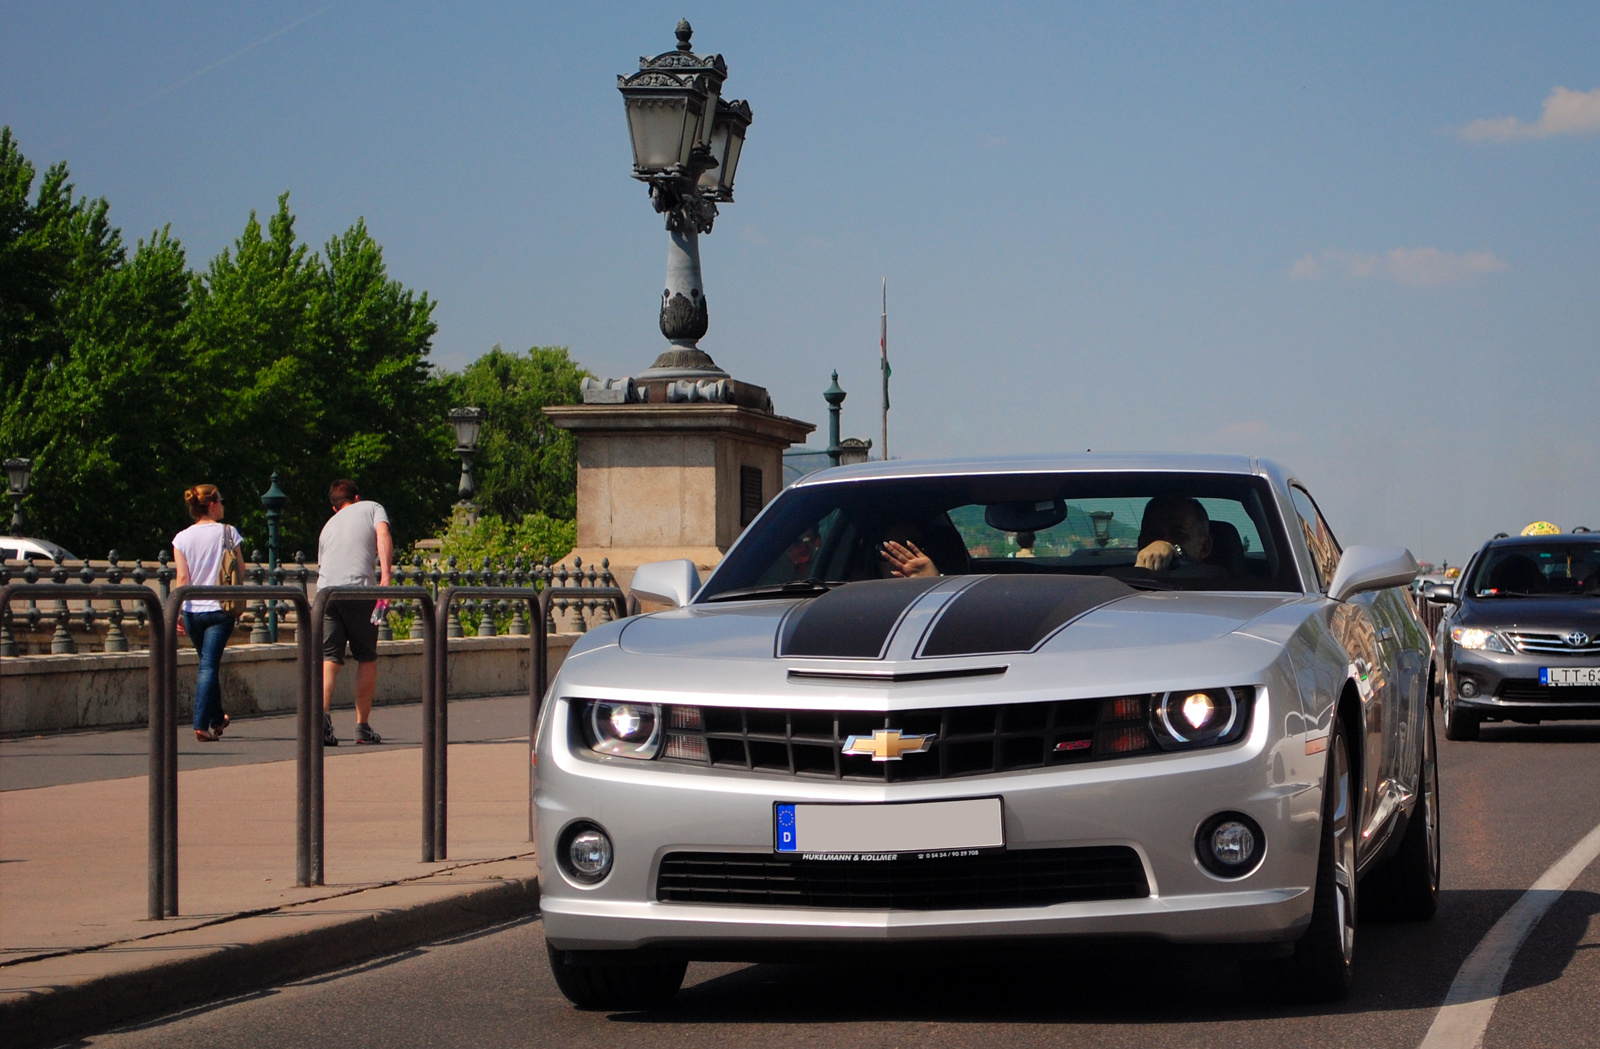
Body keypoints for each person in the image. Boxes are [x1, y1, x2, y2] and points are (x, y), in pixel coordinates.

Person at [317, 479, 392, 746]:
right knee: (366, 657)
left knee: (329, 658)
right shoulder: (372, 508)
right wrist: (385, 578)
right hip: (359, 589)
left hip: (326, 594)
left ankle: (322, 719)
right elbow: (382, 535)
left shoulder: (327, 526)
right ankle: (362, 726)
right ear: (356, 498)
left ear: (335, 507)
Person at [172, 485, 243, 742]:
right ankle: (201, 725)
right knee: (208, 666)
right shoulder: (228, 532)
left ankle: (216, 718)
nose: (223, 505)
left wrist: (178, 612)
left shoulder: (181, 539)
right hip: (220, 609)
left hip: (192, 611)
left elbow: (182, 578)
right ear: (212, 504)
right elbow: (240, 569)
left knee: (206, 665)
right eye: (221, 501)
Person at [1134, 496, 1223, 577]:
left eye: (1177, 534)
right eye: (1152, 533)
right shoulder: (1122, 581)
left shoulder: (1220, 583)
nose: (1165, 541)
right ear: (1140, 543)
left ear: (1204, 547)